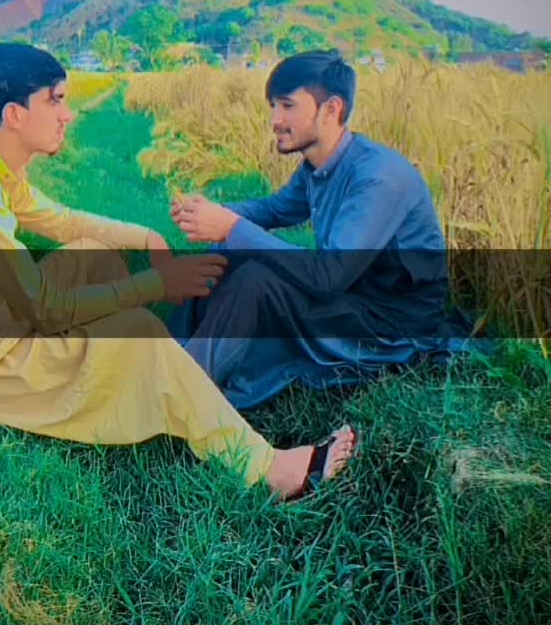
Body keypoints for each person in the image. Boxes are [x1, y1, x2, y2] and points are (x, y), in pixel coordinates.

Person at [0, 43, 357, 500]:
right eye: (55, 100)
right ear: (14, 115)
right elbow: (44, 308)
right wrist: (157, 284)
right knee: (138, 330)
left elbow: (61, 221)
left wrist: (146, 238)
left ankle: (162, 375)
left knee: (92, 252)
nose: (67, 114)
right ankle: (270, 471)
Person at [168, 49, 474, 410]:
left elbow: (329, 275)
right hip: (350, 295)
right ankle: (167, 354)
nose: (275, 120)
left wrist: (231, 227)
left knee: (256, 278)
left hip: (388, 322)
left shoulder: (377, 178)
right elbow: (275, 209)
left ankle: (179, 395)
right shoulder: (318, 165)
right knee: (227, 250)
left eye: (287, 105)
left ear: (331, 109)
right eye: (273, 106)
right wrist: (213, 214)